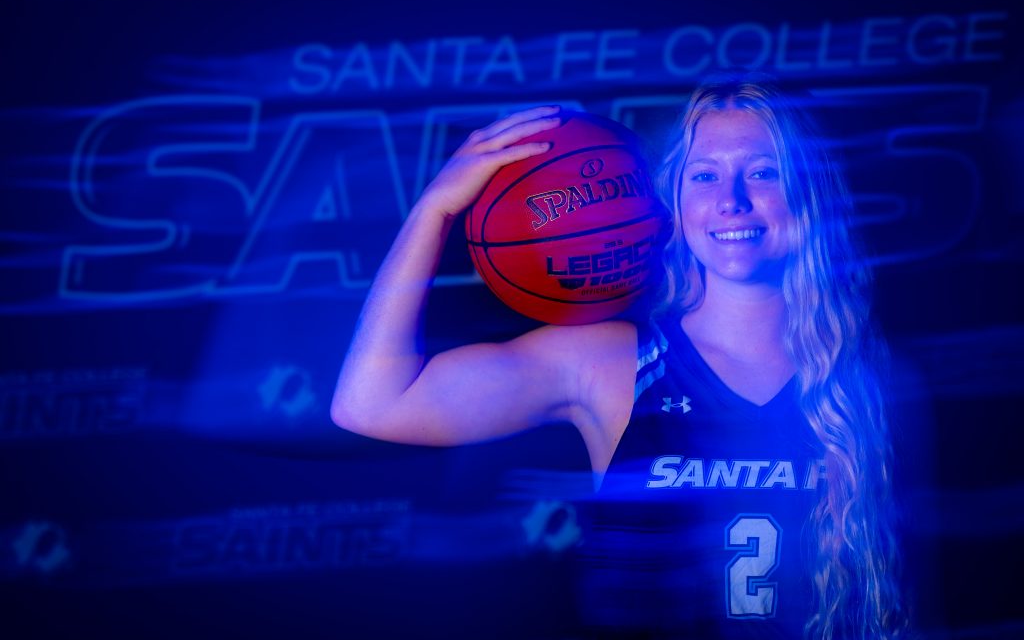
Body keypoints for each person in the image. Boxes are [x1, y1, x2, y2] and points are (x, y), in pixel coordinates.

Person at [332, 72, 907, 639]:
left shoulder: (865, 380)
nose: (731, 201)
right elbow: (370, 404)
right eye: (704, 175)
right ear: (671, 201)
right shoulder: (612, 364)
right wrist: (435, 210)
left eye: (763, 172)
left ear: (810, 190)